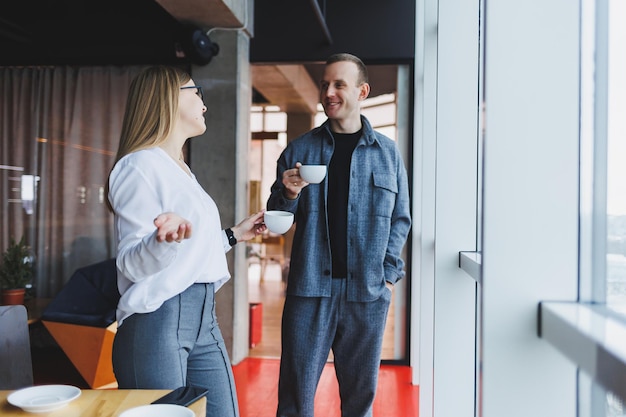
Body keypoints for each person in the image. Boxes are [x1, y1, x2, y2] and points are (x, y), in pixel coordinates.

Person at [107, 65, 266, 417]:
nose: (204, 104)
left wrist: (234, 234)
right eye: (197, 92)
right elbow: (131, 263)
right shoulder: (138, 167)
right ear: (168, 98)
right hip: (157, 320)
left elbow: (189, 250)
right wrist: (163, 241)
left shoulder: (178, 168)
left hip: (203, 320)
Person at [267, 53, 411, 417]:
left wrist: (388, 278)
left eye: (339, 84)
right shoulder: (299, 150)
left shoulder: (388, 154)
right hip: (309, 290)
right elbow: (276, 219)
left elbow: (401, 220)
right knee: (294, 400)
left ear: (362, 91)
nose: (328, 92)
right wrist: (288, 193)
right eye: (325, 84)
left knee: (359, 402)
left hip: (367, 293)